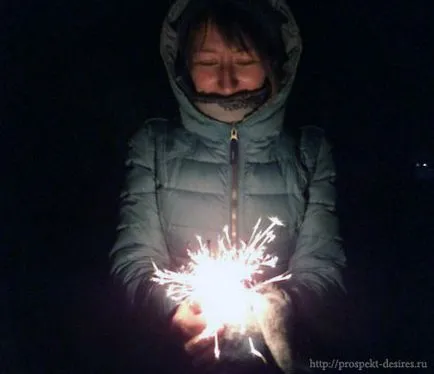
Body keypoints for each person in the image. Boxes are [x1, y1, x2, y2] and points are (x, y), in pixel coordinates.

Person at [110, 0, 346, 373]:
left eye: (244, 60)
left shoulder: (309, 151)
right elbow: (134, 261)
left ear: (273, 63)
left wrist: (276, 312)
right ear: (184, 67)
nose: (226, 80)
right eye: (207, 62)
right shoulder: (152, 146)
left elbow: (323, 267)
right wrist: (176, 312)